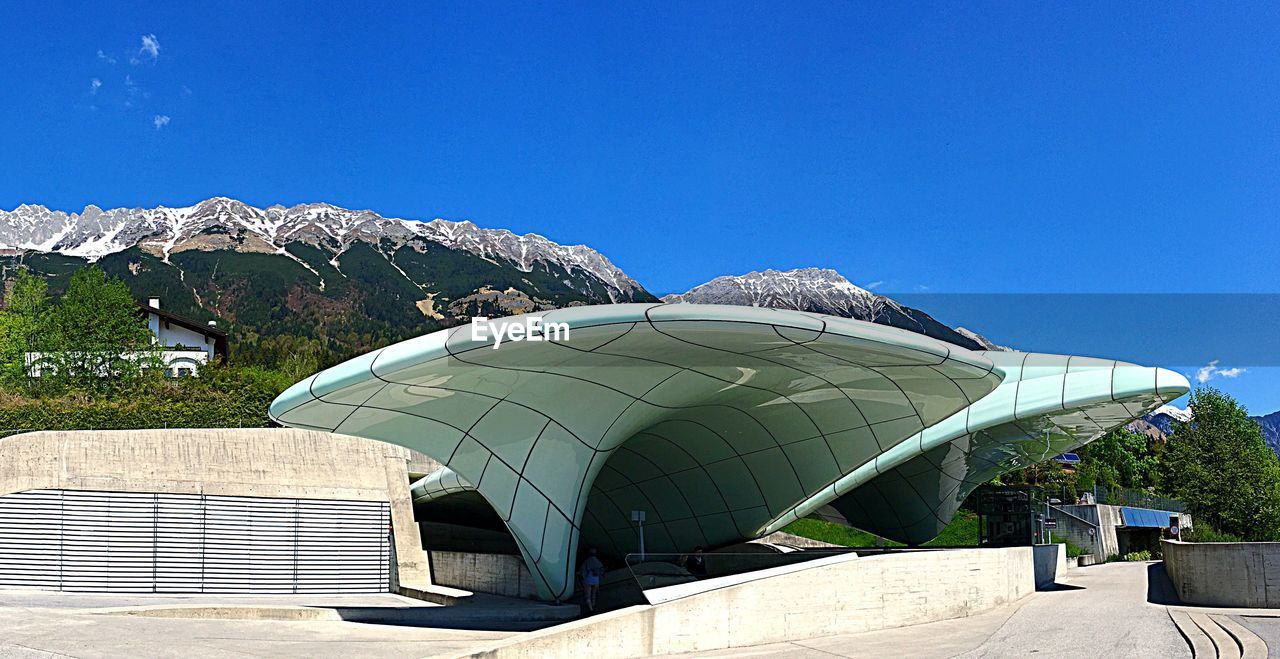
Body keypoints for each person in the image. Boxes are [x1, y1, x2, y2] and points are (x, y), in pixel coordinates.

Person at [581, 547, 605, 612]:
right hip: (596, 580)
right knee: (594, 594)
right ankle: (594, 605)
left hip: (588, 579)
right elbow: (602, 570)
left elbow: (582, 571)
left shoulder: (586, 561)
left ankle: (590, 609)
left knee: (588, 595)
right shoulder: (598, 562)